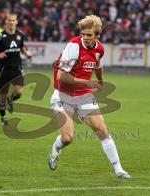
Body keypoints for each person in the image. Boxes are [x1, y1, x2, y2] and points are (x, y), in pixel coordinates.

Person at [48, 15, 131, 179]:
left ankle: (119, 169)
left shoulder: (100, 49)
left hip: (83, 95)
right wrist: (87, 83)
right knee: (68, 138)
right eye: (83, 34)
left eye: (89, 35)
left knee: (102, 130)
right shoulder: (73, 46)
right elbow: (61, 77)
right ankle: (55, 150)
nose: (85, 38)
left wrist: (100, 81)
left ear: (97, 35)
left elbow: (98, 66)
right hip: (63, 95)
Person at [0, 13, 32, 126]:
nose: (11, 22)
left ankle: (10, 100)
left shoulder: (20, 35)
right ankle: (3, 118)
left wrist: (27, 54)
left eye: (13, 20)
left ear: (16, 22)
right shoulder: (1, 37)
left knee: (19, 91)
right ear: (6, 22)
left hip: (17, 68)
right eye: (9, 20)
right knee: (2, 95)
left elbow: (21, 46)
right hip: (4, 69)